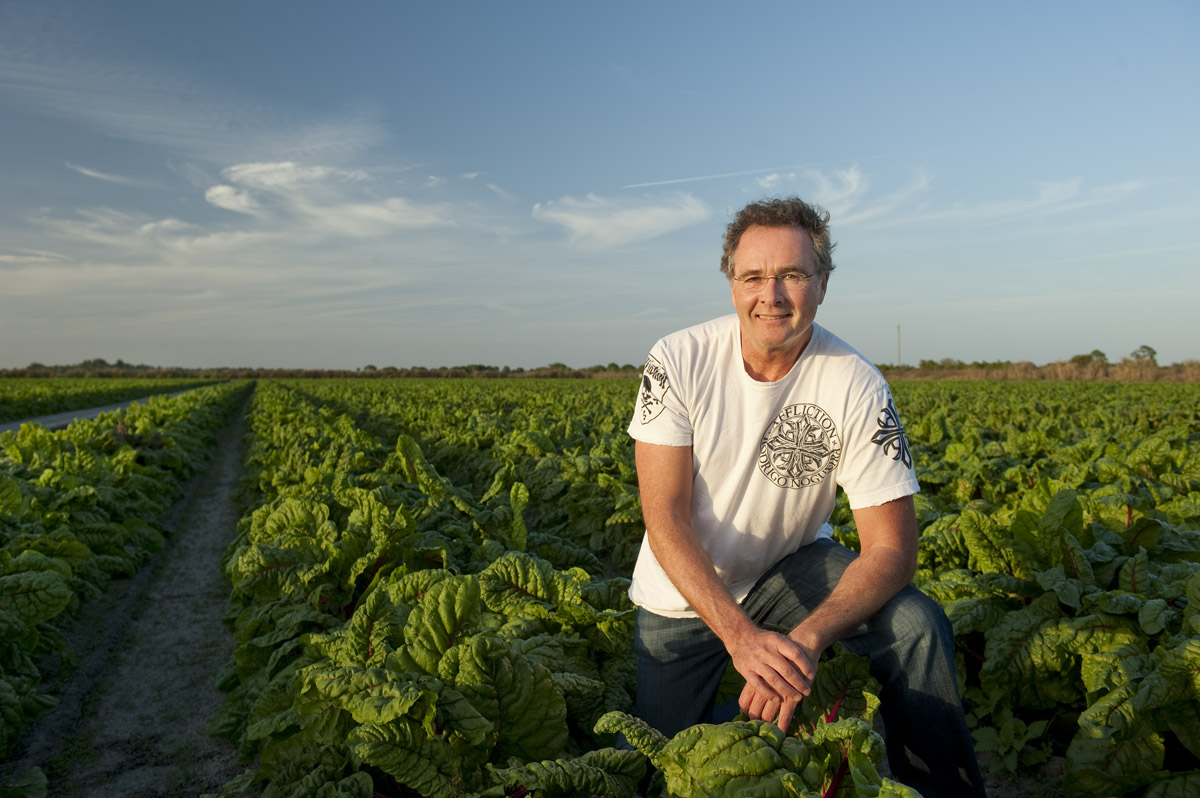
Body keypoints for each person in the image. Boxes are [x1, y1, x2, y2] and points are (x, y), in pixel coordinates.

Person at [627, 196, 986, 797]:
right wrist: (741, 638)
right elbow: (663, 518)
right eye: (754, 277)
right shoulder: (677, 359)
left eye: (792, 275)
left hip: (793, 570)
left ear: (822, 283)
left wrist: (808, 640)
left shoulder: (856, 382)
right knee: (650, 770)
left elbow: (891, 550)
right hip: (684, 596)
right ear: (732, 284)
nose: (772, 295)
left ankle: (943, 787)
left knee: (916, 624)